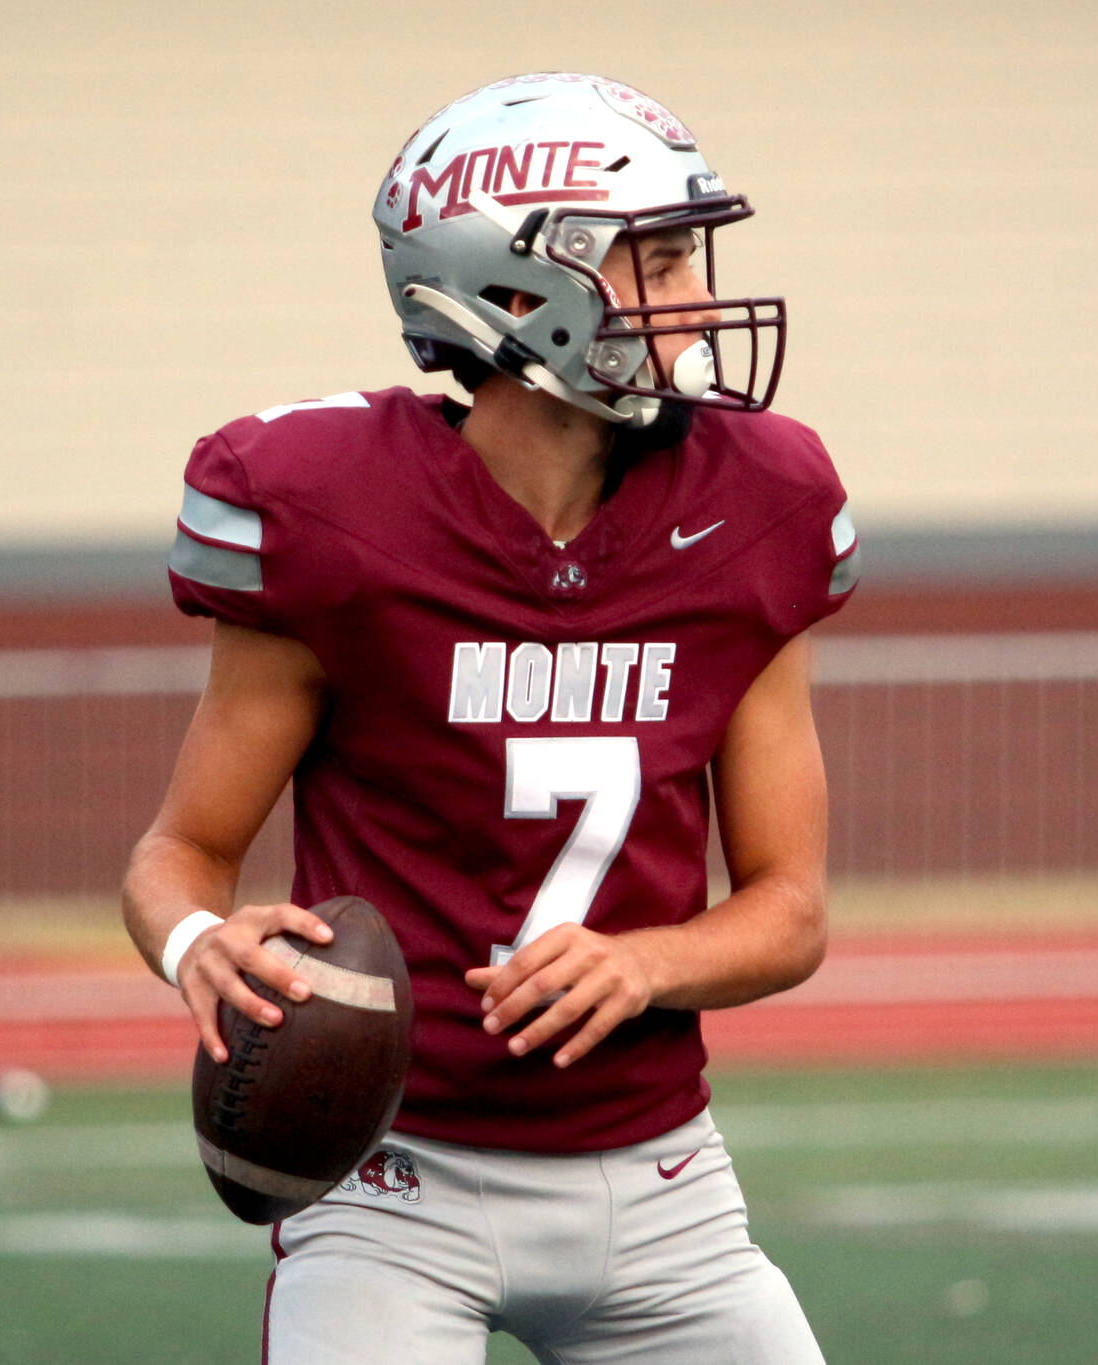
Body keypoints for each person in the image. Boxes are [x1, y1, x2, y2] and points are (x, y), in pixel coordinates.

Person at [122, 71, 860, 1364]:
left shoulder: (759, 503)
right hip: (393, 1185)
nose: (695, 301)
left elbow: (790, 909)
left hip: (664, 1186)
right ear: (518, 294)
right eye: (659, 258)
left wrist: (647, 960)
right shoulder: (331, 515)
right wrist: (196, 939)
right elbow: (177, 853)